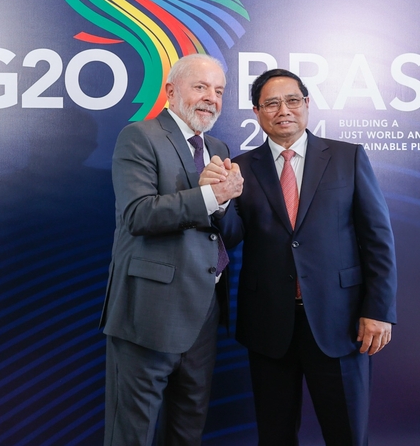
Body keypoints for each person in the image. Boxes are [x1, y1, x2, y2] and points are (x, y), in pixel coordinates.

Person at [212, 68, 397, 445]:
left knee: (346, 433)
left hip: (340, 322)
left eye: (293, 100)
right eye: (272, 103)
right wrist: (218, 201)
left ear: (307, 104)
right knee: (275, 435)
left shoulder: (348, 157)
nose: (284, 110)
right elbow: (229, 238)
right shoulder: (242, 168)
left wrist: (378, 310)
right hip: (268, 324)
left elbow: (377, 239)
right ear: (257, 111)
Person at [100, 54, 244, 446]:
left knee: (187, 429)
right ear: (170, 92)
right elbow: (138, 215)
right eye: (200, 87)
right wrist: (211, 195)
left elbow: (226, 235)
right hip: (149, 311)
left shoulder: (218, 146)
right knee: (132, 432)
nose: (211, 98)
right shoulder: (140, 136)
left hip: (203, 314)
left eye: (218, 91)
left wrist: (226, 202)